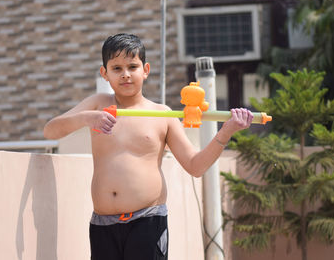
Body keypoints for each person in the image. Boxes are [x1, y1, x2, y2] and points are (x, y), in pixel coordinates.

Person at [43, 33, 253, 260]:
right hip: (102, 223)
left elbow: (195, 166)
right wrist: (86, 118)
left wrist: (226, 131)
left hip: (147, 220)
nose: (125, 74)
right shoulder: (97, 105)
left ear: (145, 70)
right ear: (104, 73)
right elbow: (50, 131)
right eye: (117, 68)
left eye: (132, 66)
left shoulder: (162, 114)